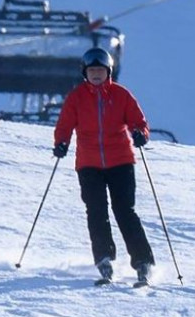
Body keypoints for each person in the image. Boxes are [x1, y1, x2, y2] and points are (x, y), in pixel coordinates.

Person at [52, 46, 156, 286]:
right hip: (89, 164)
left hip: (120, 161)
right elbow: (65, 124)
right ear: (84, 73)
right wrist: (61, 143)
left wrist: (140, 134)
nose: (96, 75)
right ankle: (104, 259)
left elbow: (138, 121)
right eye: (92, 71)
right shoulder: (76, 97)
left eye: (100, 70)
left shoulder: (121, 95)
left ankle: (143, 261)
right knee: (96, 211)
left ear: (109, 72)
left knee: (124, 211)